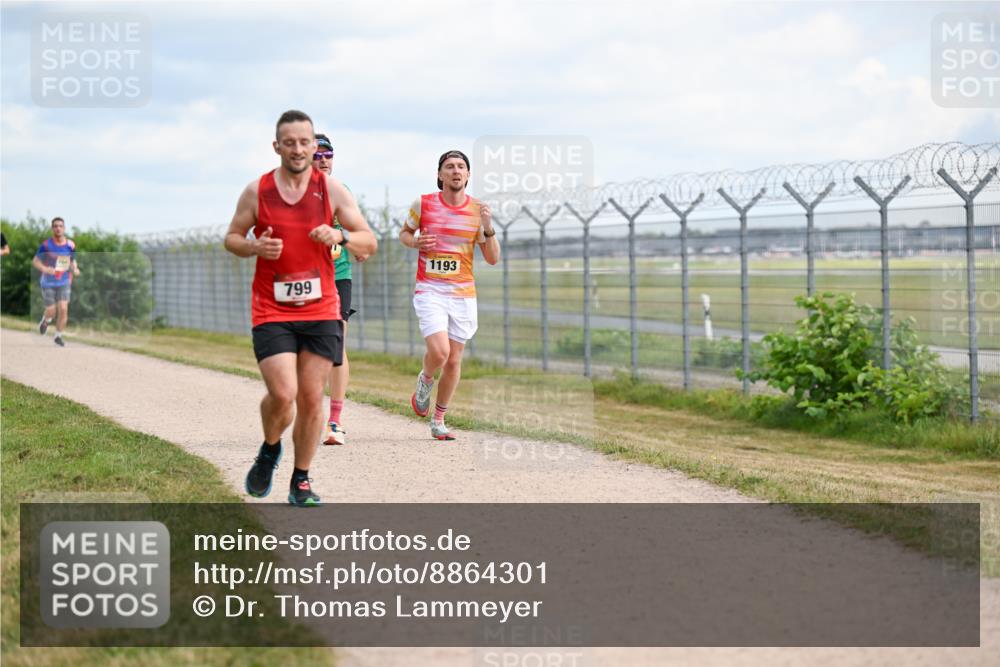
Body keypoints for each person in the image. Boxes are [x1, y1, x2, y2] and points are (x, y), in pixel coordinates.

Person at [224, 110, 376, 506]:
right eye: (289, 142)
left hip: (321, 307)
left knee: (310, 398)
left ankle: (301, 479)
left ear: (313, 146)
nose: (297, 149)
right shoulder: (257, 191)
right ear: (277, 146)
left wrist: (340, 235)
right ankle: (270, 448)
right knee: (283, 393)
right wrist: (254, 246)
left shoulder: (332, 191)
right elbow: (232, 238)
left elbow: (368, 240)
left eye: (304, 142)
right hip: (273, 308)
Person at [399, 150, 500, 440]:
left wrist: (488, 228)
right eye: (450, 166)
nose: (456, 171)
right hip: (430, 289)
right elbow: (404, 234)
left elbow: (493, 258)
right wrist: (416, 242)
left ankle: (439, 419)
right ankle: (426, 379)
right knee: (440, 352)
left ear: (468, 175)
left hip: (463, 293)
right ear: (440, 174)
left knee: (454, 360)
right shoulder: (423, 203)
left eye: (461, 167)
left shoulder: (477, 210)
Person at [312, 133, 356, 446]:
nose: (324, 160)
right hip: (304, 277)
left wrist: (350, 239)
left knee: (337, 343)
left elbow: (355, 230)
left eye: (328, 155)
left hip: (338, 276)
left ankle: (335, 422)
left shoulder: (341, 191)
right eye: (317, 155)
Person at [32, 217, 80, 347]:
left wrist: (75, 269)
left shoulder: (70, 245)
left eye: (60, 226)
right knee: (51, 310)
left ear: (64, 228)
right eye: (55, 226)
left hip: (64, 281)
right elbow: (35, 261)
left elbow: (72, 260)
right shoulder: (46, 245)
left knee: (63, 309)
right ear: (52, 228)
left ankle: (58, 336)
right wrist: (45, 269)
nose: (58, 228)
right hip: (48, 282)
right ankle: (46, 320)